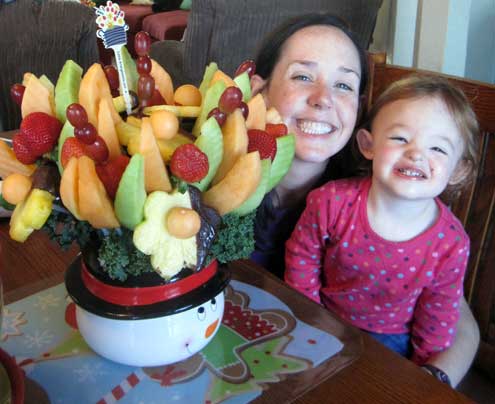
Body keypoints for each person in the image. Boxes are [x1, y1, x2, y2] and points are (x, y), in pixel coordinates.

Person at [249, 13, 479, 387]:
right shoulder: (214, 185)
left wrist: (429, 380)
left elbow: (457, 317)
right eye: (303, 76)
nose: (324, 99)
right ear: (258, 90)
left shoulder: (378, 196)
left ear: (358, 108)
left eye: (343, 85)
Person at [285, 74, 478, 382]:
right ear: (368, 144)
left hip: (396, 346)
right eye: (400, 138)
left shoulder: (452, 243)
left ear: (458, 170)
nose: (416, 154)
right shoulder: (330, 201)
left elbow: (437, 319)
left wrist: (418, 378)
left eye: (438, 149)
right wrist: (310, 317)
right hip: (322, 320)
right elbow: (301, 258)